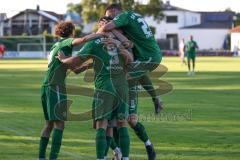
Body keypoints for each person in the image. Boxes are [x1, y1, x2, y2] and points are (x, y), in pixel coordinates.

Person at [57, 16, 133, 160]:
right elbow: (131, 61)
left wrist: (63, 60)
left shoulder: (95, 42)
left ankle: (101, 158)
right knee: (121, 123)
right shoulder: (122, 42)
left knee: (101, 124)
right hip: (122, 88)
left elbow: (76, 61)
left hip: (105, 88)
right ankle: (123, 156)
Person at [99, 4, 163, 160]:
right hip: (115, 86)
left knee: (130, 121)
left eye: (111, 17)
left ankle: (148, 145)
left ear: (116, 13)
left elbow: (141, 75)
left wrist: (154, 96)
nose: (111, 21)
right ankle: (118, 152)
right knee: (112, 121)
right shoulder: (111, 39)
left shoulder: (126, 39)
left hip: (129, 84)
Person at [39, 21, 104, 160]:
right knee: (59, 124)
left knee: (49, 124)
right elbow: (84, 39)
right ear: (71, 32)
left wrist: (90, 65)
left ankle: (41, 157)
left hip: (48, 86)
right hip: (55, 86)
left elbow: (75, 69)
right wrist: (100, 33)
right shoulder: (65, 43)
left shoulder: (56, 46)